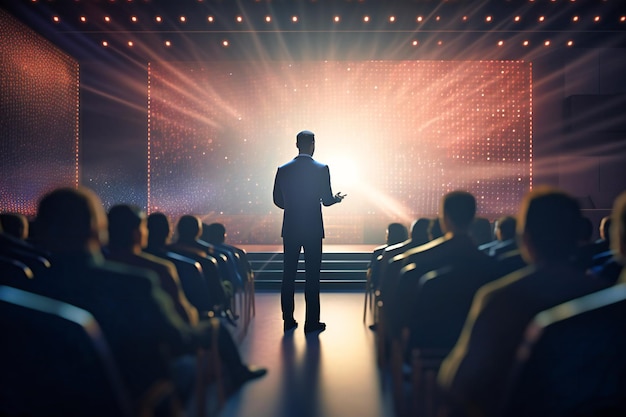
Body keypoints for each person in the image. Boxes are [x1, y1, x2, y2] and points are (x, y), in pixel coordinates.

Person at [29, 187, 267, 410]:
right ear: (97, 228)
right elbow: (177, 337)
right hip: (130, 395)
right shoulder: (137, 283)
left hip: (44, 400)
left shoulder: (25, 284)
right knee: (208, 339)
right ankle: (236, 374)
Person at [437, 186, 610, 417]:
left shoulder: (499, 299)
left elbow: (459, 382)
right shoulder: (607, 298)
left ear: (525, 238)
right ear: (578, 236)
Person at [272, 130, 345, 334]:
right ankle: (311, 322)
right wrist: (337, 199)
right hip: (313, 228)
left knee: (288, 275)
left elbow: (277, 200)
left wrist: (293, 206)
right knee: (312, 276)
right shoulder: (322, 169)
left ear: (296, 144)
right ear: (313, 144)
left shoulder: (283, 169)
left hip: (291, 227)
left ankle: (288, 319)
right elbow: (327, 199)